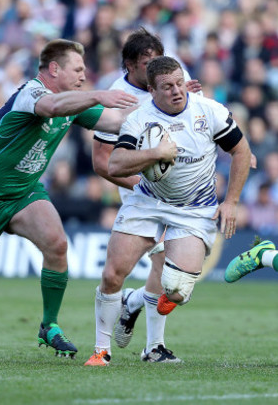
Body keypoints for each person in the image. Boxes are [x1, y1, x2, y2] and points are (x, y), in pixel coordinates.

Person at [0, 39, 138, 362]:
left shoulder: (73, 104)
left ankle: (48, 325)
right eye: (77, 69)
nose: (83, 75)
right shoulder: (32, 93)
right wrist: (95, 94)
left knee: (57, 244)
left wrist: (167, 108)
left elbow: (114, 121)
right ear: (54, 69)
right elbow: (52, 108)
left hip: (23, 191)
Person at [88, 55, 251, 365]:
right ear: (152, 90)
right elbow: (115, 163)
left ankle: (132, 302)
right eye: (167, 87)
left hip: (194, 208)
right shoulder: (138, 118)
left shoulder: (209, 110)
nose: (177, 91)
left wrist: (231, 201)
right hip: (147, 201)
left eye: (179, 83)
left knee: (176, 291)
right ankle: (101, 352)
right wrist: (155, 153)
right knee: (112, 275)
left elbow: (241, 151)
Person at [86, 28, 202, 366]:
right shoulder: (116, 97)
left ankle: (142, 324)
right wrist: (145, 183)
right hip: (141, 194)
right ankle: (109, 346)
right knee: (117, 272)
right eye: (148, 64)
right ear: (129, 66)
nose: (159, 71)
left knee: (173, 279)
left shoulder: (172, 78)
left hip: (181, 193)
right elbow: (101, 162)